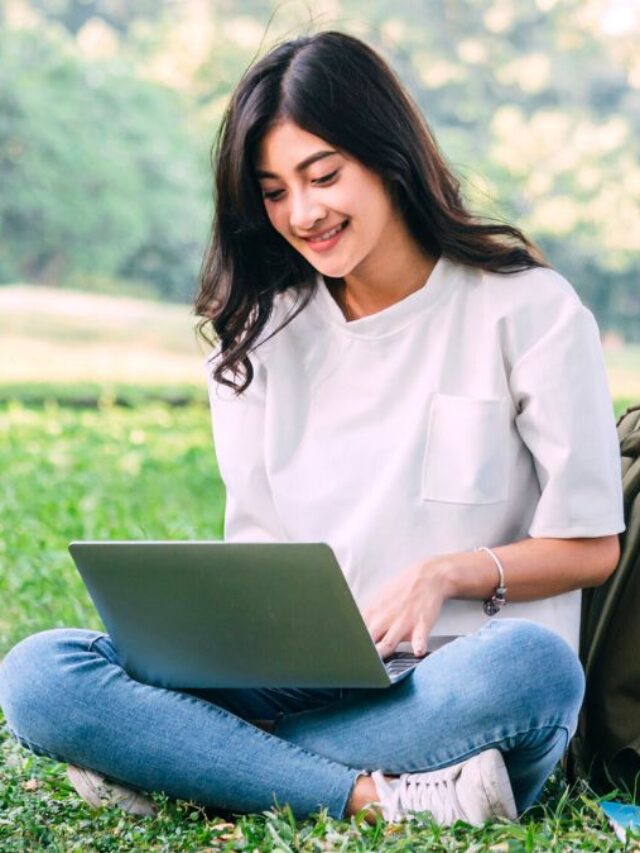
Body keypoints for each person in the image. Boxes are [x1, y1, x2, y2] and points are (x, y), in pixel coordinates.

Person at [0, 31, 625, 827]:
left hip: (453, 679)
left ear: (387, 155)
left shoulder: (527, 309)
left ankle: (199, 762)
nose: (303, 213)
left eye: (323, 175)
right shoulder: (260, 335)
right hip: (297, 671)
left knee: (536, 670)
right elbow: (260, 555)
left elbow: (591, 546)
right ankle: (373, 798)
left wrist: (445, 573)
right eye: (273, 191)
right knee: (38, 672)